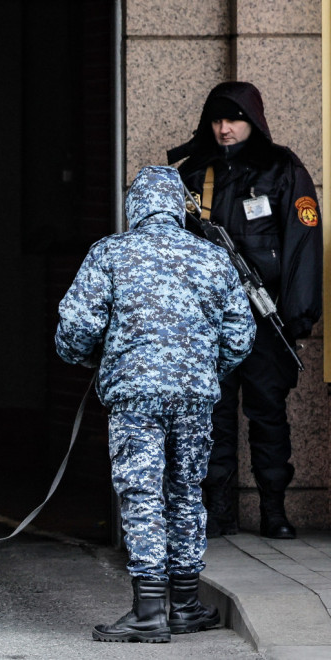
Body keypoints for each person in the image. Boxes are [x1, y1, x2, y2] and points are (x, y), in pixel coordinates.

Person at [56, 166, 256, 643]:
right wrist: (202, 369)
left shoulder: (111, 253)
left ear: (135, 207)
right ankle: (185, 605)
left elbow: (74, 331)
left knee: (142, 494)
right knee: (186, 493)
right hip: (194, 398)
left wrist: (100, 360)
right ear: (178, 205)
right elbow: (241, 338)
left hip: (135, 398)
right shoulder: (214, 258)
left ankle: (149, 611)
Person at [169, 82, 323, 539]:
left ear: (252, 121)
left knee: (268, 412)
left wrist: (296, 315)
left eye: (233, 119)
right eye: (217, 120)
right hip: (209, 319)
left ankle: (274, 509)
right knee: (211, 414)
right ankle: (218, 511)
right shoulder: (194, 172)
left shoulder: (280, 168)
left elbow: (302, 243)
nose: (224, 129)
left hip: (263, 315)